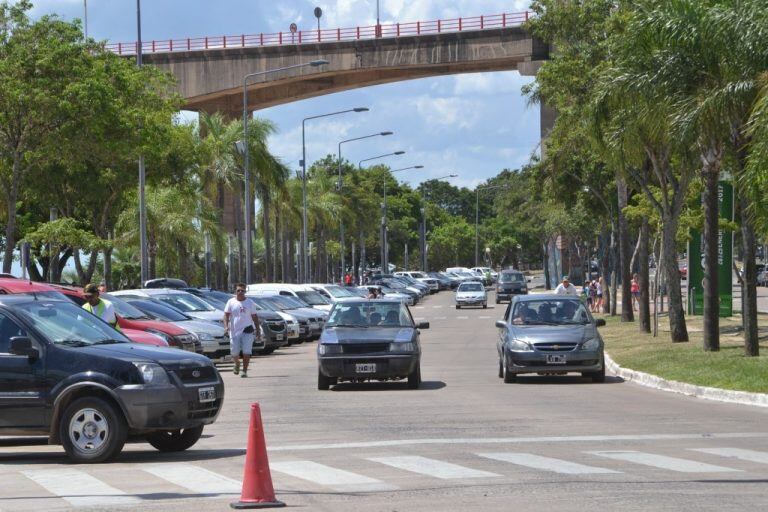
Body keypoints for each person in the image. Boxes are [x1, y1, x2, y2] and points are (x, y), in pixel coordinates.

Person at [223, 283, 261, 378]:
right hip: (234, 330)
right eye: (238, 290)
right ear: (235, 291)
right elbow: (226, 315)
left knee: (246, 351)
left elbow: (255, 316)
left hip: (247, 329)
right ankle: (237, 363)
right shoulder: (231, 302)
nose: (240, 292)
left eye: (242, 290)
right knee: (234, 352)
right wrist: (226, 326)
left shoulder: (250, 302)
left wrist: (258, 330)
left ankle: (244, 370)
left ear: (245, 292)